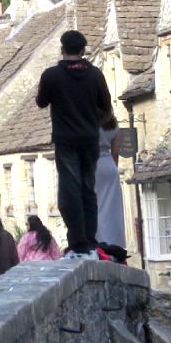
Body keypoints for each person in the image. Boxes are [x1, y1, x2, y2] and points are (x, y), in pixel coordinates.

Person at [35, 29, 113, 259]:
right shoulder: (96, 75)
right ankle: (90, 239)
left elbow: (41, 102)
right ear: (83, 50)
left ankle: (77, 241)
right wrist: (92, 120)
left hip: (65, 140)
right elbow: (106, 107)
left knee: (69, 191)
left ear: (62, 49)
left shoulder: (51, 75)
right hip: (89, 140)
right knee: (88, 189)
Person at [95, 110, 125, 250]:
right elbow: (115, 153)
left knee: (95, 207)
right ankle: (113, 244)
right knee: (111, 210)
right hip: (109, 165)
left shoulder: (87, 121)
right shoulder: (112, 123)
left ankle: (97, 243)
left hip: (92, 164)